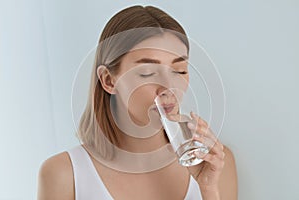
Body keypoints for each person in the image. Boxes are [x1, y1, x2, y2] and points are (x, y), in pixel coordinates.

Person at [37, 5, 237, 200]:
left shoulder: (216, 164)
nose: (169, 87)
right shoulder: (64, 175)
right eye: (147, 73)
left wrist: (209, 190)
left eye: (180, 71)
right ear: (108, 80)